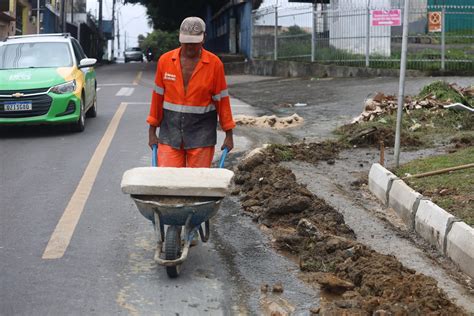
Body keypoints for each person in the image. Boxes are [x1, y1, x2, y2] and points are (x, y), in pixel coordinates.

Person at [147, 16, 235, 168]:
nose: (190, 47)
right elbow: (157, 98)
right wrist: (152, 132)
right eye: (186, 42)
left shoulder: (214, 65)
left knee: (198, 184)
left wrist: (229, 135)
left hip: (202, 135)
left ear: (203, 39)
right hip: (170, 134)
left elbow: (222, 101)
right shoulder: (165, 61)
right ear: (180, 39)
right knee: (169, 182)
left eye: (194, 43)